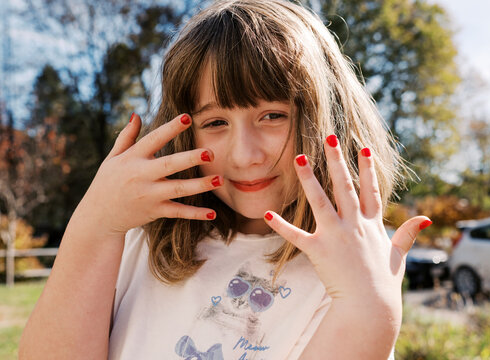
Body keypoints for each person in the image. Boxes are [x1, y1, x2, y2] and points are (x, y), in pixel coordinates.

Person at [19, 0, 432, 359]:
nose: (244, 155)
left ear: (328, 120)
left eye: (272, 115)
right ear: (184, 133)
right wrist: (93, 225)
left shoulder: (353, 271)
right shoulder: (136, 244)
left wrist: (371, 311)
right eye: (215, 122)